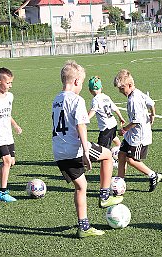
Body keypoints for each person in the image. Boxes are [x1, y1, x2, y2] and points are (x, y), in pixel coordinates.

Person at [52, 60, 123, 238]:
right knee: (107, 157)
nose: (81, 87)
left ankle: (83, 227)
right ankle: (105, 196)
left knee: (81, 186)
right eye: (82, 83)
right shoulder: (77, 100)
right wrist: (85, 150)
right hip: (75, 148)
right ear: (76, 81)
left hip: (59, 151)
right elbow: (81, 125)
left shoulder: (56, 100)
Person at [113, 69, 162, 192]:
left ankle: (152, 175)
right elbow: (151, 103)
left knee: (131, 160)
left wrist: (124, 130)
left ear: (129, 85)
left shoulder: (133, 100)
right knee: (121, 154)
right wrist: (153, 115)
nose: (120, 92)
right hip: (132, 135)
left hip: (138, 137)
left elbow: (136, 121)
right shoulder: (138, 92)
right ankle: (119, 181)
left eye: (122, 89)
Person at [0, 67, 22, 202]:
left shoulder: (10, 97)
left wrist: (15, 125)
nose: (10, 86)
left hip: (8, 135)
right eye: (8, 83)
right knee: (6, 161)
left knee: (11, 162)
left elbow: (7, 115)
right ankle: (2, 192)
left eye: (11, 83)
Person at [88, 76, 125, 149]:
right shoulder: (106, 97)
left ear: (90, 90)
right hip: (113, 123)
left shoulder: (95, 99)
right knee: (113, 137)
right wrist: (120, 117)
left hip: (106, 127)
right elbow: (115, 108)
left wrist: (87, 118)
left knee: (102, 148)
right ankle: (120, 148)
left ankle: (111, 159)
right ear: (101, 88)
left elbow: (93, 110)